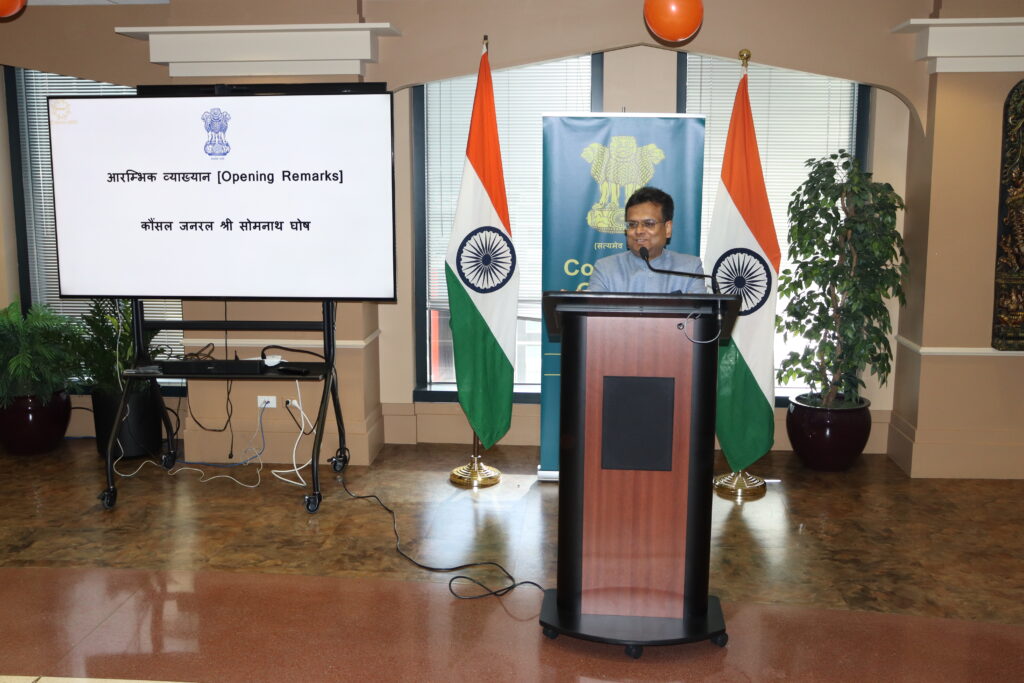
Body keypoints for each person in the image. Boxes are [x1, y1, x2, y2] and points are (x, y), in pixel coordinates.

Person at [589, 186, 706, 294]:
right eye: (632, 224)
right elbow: (594, 310)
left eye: (649, 224)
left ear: (667, 229)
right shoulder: (605, 269)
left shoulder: (690, 269)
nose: (639, 231)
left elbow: (699, 310)